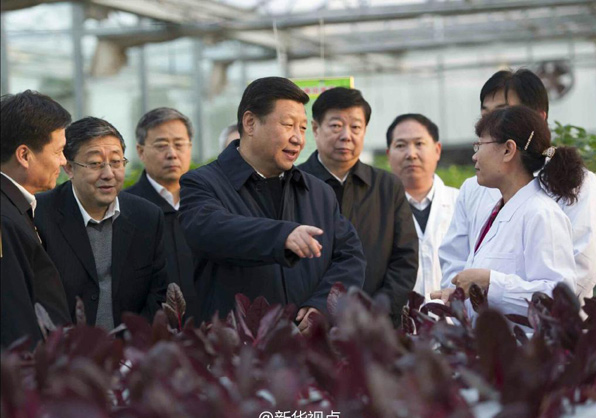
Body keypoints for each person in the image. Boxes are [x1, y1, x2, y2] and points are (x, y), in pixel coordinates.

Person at [179, 77, 366, 334]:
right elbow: (209, 228)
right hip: (236, 346)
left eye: (302, 128)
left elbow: (350, 257)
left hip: (307, 344)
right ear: (250, 123)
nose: (298, 139)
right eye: (288, 125)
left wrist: (322, 305)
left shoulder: (318, 192)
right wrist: (282, 236)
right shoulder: (202, 183)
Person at [439, 69, 596, 300]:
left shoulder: (558, 196)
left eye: (502, 113)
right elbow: (456, 260)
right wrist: (462, 296)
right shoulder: (477, 188)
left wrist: (492, 286)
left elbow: (575, 276)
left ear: (537, 118)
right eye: (485, 114)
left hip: (545, 320)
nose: (489, 122)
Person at [432, 106, 582, 316]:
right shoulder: (498, 210)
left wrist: (491, 283)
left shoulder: (542, 214)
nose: (475, 156)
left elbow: (559, 300)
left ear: (508, 150)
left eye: (480, 145)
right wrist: (462, 295)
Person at [298, 87, 418, 326]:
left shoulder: (387, 186)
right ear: (315, 128)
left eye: (355, 127)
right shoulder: (294, 183)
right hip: (308, 323)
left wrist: (379, 311)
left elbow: (405, 258)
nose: (346, 136)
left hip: (375, 325)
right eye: (336, 126)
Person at [35, 117, 168, 330]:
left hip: (131, 345)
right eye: (95, 164)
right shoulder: (39, 214)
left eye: (116, 162)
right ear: (69, 167)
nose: (108, 174)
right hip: (62, 345)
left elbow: (158, 292)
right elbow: (34, 297)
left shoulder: (147, 217)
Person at [1, 90, 72, 348]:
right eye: (58, 151)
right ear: (24, 155)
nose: (63, 161)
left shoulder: (15, 207)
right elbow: (14, 320)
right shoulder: (5, 219)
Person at [125, 107, 199, 323]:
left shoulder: (207, 202)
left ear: (190, 147)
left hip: (208, 329)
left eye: (179, 144)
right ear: (140, 151)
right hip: (152, 330)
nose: (172, 154)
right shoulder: (126, 208)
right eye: (161, 145)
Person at [386, 113, 458, 298]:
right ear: (388, 154)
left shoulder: (461, 202)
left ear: (437, 150)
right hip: (398, 315)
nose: (411, 154)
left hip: (455, 314)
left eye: (419, 144)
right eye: (400, 145)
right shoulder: (377, 208)